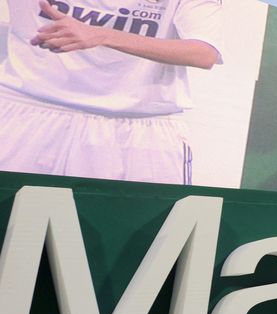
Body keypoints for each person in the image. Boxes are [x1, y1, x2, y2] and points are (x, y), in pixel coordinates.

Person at [0, 0, 224, 185]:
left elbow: (203, 53)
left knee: (127, 234)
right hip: (27, 113)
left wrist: (103, 35)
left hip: (137, 128)